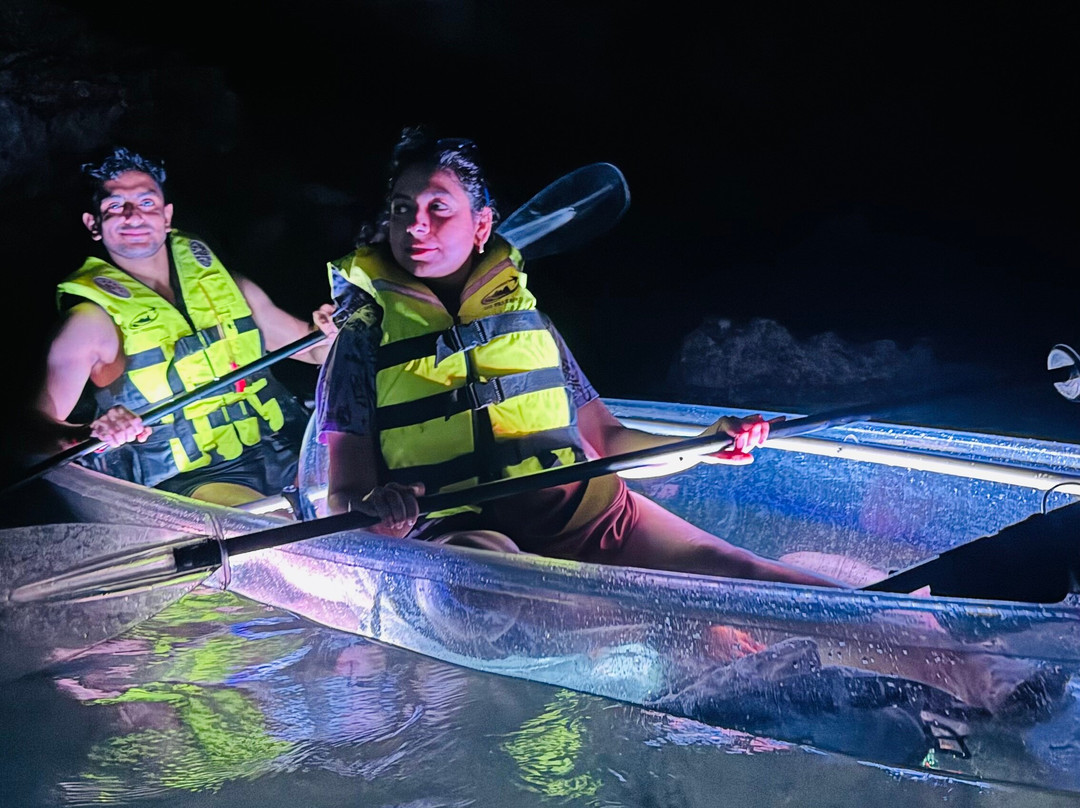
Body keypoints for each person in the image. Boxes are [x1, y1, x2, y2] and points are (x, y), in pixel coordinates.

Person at [314, 127, 845, 587]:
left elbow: (607, 441)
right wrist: (375, 512)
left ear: (482, 226)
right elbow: (342, 493)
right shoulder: (362, 339)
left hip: (581, 510)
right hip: (462, 530)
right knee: (490, 574)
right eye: (402, 209)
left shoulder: (529, 322)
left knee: (735, 571)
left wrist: (701, 445)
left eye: (437, 209)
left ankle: (909, 631)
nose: (414, 227)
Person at [29, 146, 339, 509]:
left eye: (146, 203)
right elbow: (30, 424)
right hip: (196, 478)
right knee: (277, 528)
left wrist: (332, 333)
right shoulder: (90, 321)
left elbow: (318, 352)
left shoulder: (230, 288)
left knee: (354, 501)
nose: (133, 216)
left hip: (282, 445)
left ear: (166, 216)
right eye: (115, 206)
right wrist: (86, 433)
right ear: (93, 225)